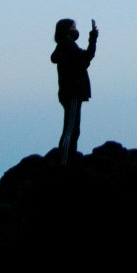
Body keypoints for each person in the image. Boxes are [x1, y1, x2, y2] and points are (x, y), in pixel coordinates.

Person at [51, 18, 98, 165]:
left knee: (73, 128)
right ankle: (64, 163)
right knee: (71, 129)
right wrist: (93, 39)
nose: (76, 29)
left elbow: (85, 58)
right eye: (73, 27)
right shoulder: (67, 46)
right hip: (72, 92)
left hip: (71, 93)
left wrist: (92, 38)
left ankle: (68, 159)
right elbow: (85, 58)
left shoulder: (67, 46)